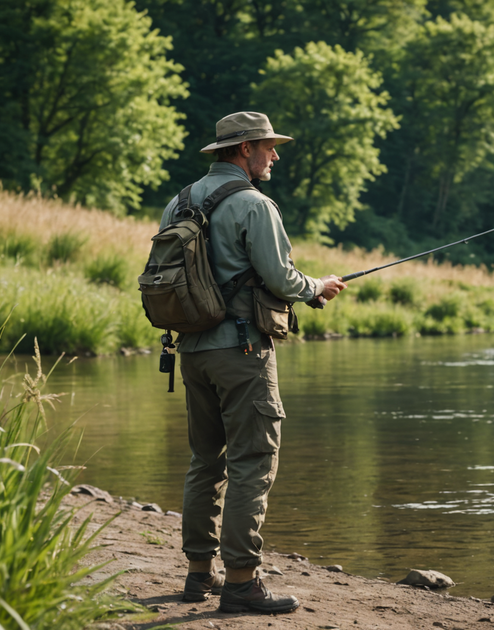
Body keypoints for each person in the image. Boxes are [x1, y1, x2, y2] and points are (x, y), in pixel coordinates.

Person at [159, 111, 347, 614]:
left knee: (206, 461)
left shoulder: (177, 202)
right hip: (241, 351)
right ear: (244, 150)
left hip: (192, 351)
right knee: (252, 462)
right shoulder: (254, 204)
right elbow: (282, 279)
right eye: (268, 147)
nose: (275, 155)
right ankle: (242, 582)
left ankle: (200, 574)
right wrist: (318, 288)